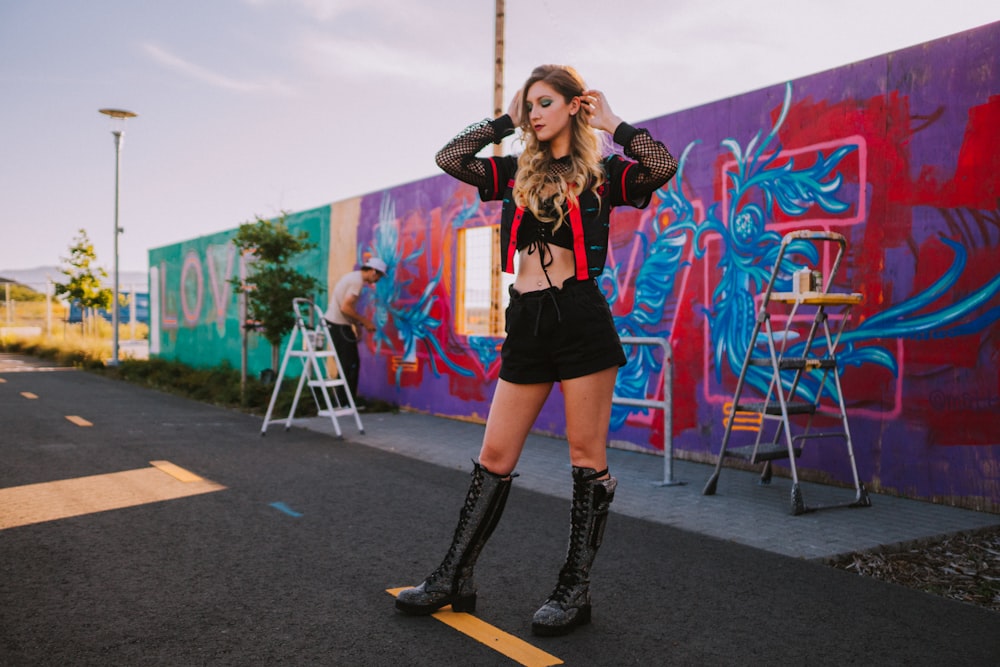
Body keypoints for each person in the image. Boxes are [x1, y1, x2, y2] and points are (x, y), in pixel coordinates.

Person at [394, 64, 678, 636]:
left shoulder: (602, 176)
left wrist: (613, 122)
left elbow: (663, 165)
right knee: (494, 456)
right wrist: (506, 116)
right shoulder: (514, 172)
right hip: (524, 321)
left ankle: (574, 589)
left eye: (545, 102)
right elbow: (450, 157)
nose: (535, 113)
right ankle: (455, 576)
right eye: (530, 105)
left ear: (574, 106)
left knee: (584, 455)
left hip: (579, 320)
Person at [325, 257, 386, 406]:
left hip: (337, 324)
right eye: (379, 276)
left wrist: (357, 326)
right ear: (373, 272)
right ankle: (346, 401)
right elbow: (345, 308)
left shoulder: (352, 277)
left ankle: (342, 400)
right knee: (350, 364)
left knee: (347, 364)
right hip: (338, 325)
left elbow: (347, 308)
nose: (378, 280)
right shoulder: (356, 282)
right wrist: (365, 322)